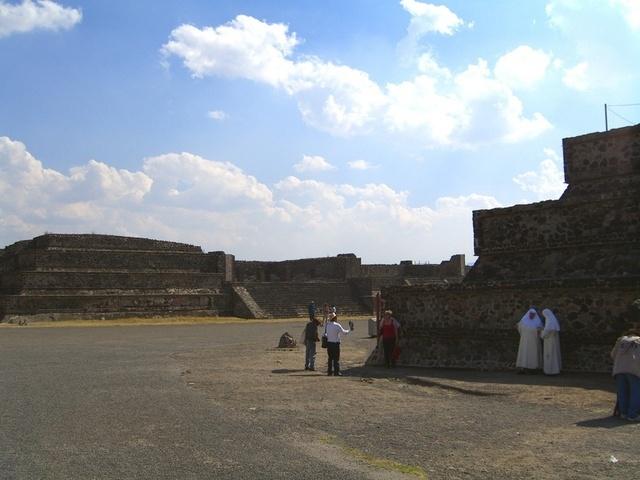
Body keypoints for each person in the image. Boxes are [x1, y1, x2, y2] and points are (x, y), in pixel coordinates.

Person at [611, 330, 640, 421]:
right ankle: (632, 415)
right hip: (634, 370)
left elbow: (613, 355)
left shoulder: (620, 341)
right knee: (635, 392)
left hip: (619, 369)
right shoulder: (638, 341)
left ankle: (623, 413)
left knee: (622, 392)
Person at [516, 307, 543, 373]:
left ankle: (533, 368)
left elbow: (541, 330)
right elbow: (519, 327)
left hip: (534, 342)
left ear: (535, 315)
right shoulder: (523, 320)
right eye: (531, 314)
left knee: (533, 354)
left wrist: (537, 330)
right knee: (524, 353)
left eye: (533, 314)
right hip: (524, 341)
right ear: (528, 314)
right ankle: (523, 368)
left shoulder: (538, 321)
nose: (531, 315)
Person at [540, 308, 562, 375]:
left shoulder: (549, 322)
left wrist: (541, 332)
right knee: (554, 355)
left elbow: (546, 332)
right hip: (554, 341)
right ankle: (556, 370)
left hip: (549, 342)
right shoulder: (553, 320)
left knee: (549, 355)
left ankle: (549, 371)